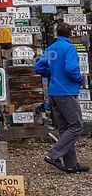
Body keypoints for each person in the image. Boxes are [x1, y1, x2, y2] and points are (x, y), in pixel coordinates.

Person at [35, 22, 88, 172]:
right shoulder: (69, 48)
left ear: (57, 34)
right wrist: (79, 79)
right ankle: (53, 155)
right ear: (70, 34)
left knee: (65, 129)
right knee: (76, 126)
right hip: (67, 92)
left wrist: (52, 73)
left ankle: (71, 164)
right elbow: (71, 69)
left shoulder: (51, 48)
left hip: (54, 92)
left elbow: (39, 67)